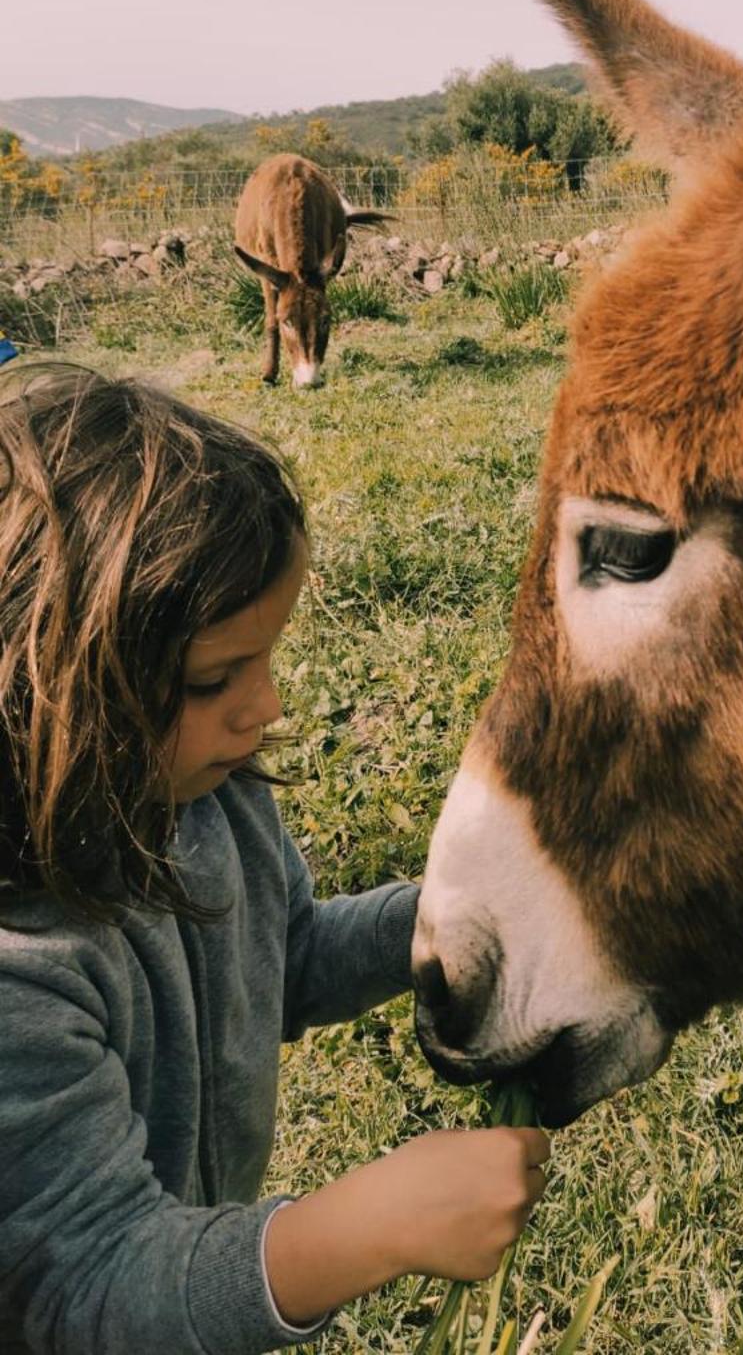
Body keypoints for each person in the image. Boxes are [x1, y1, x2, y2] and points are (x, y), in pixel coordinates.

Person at [0, 364, 550, 1352]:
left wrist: (453, 909)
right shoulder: (19, 977)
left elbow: (283, 959)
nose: (266, 708)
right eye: (214, 678)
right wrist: (359, 1229)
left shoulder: (210, 799)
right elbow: (91, 1286)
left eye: (266, 659)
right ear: (51, 692)